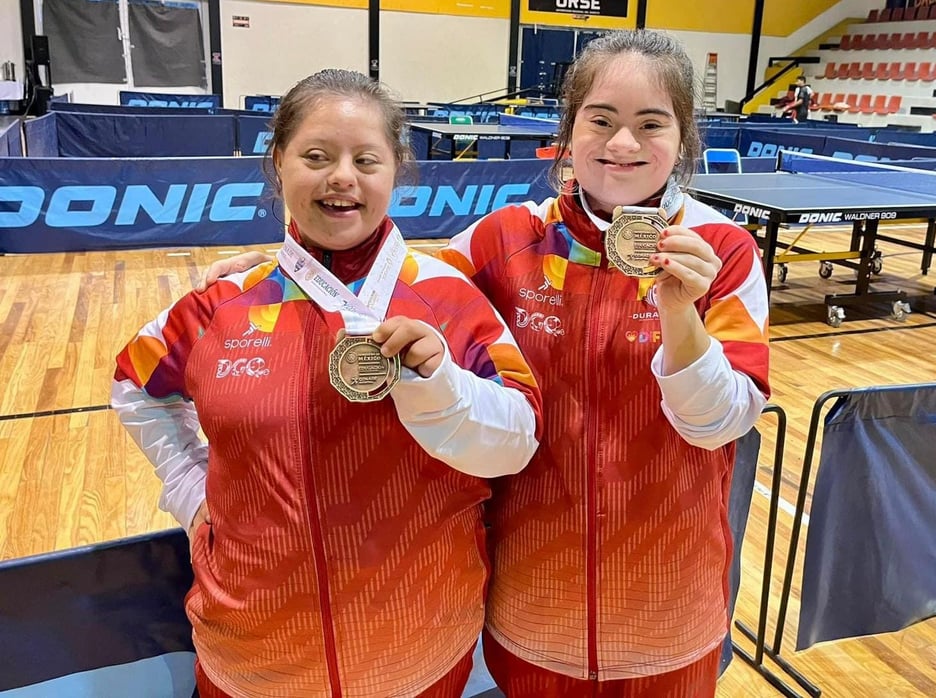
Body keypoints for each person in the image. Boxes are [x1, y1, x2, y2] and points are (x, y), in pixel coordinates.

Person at [204, 30, 770, 698]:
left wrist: (680, 314)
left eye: (651, 125)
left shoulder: (723, 252)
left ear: (683, 138)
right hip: (530, 603)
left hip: (668, 607)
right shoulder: (500, 242)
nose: (623, 145)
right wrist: (283, 274)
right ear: (569, 129)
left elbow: (720, 424)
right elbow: (389, 286)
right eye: (602, 120)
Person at [112, 68, 542, 698]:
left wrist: (442, 385)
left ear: (395, 170)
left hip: (420, 653)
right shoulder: (221, 304)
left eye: (366, 159)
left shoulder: (448, 298)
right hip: (253, 656)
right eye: (317, 155)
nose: (343, 176)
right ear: (279, 162)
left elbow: (519, 440)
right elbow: (135, 386)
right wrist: (189, 490)